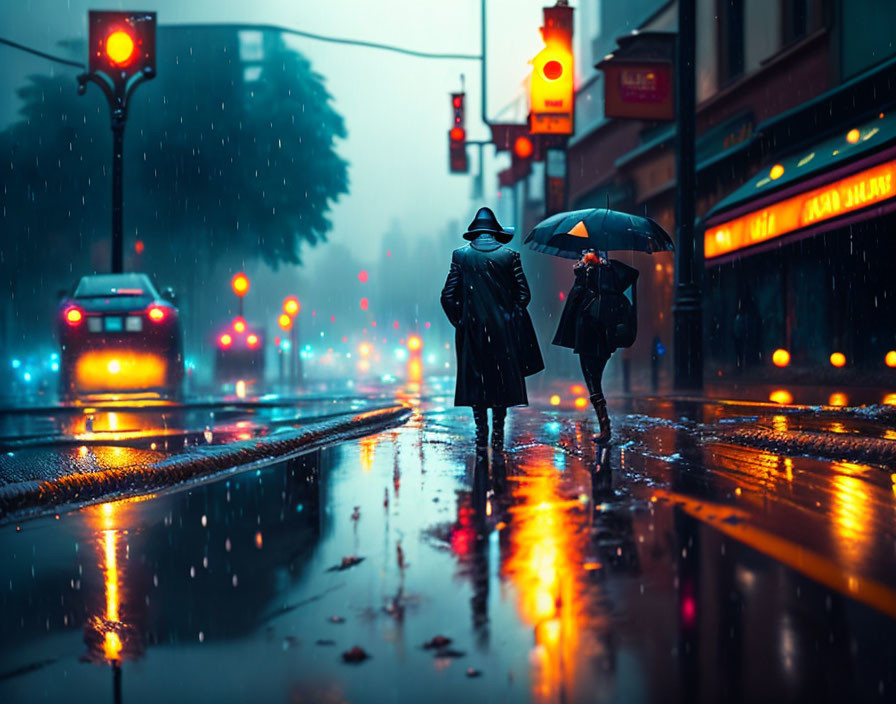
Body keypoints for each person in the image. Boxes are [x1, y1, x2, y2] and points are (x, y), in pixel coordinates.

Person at [441, 207, 544, 458]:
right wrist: (508, 316)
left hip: (472, 332)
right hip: (504, 333)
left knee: (477, 383)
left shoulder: (460, 257)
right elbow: (524, 295)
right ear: (495, 232)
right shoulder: (510, 257)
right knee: (501, 384)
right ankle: (498, 435)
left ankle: (481, 435)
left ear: (474, 233)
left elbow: (447, 296)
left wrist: (462, 320)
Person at [552, 249, 638, 444]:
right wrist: (606, 267)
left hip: (590, 335)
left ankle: (605, 426)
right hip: (604, 336)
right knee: (594, 380)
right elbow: (633, 274)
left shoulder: (588, 277)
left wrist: (584, 272)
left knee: (592, 381)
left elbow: (575, 301)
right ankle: (604, 424)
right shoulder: (611, 277)